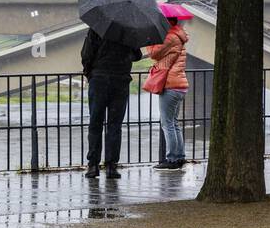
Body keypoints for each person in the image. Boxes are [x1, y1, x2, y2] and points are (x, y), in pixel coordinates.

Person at [80, 27, 142, 179]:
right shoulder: (130, 30)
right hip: (121, 80)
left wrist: (90, 73)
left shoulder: (97, 27)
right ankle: (111, 166)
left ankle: (93, 165)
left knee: (95, 123)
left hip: (99, 79)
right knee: (115, 125)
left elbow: (86, 54)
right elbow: (137, 55)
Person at [144, 17, 189, 171]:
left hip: (171, 85)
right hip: (179, 85)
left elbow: (154, 54)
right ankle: (179, 156)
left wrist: (150, 40)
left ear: (167, 22)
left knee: (167, 124)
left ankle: (171, 159)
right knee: (174, 123)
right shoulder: (178, 35)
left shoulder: (170, 37)